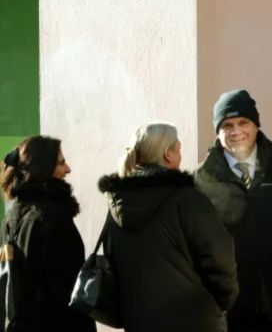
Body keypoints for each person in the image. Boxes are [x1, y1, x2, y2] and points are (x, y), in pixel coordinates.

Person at [98, 123, 239, 332]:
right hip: (193, 321)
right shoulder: (188, 200)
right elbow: (219, 259)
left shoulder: (117, 204)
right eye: (179, 149)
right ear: (167, 154)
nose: (181, 155)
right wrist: (221, 303)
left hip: (139, 322)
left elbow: (113, 262)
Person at [195, 89, 272, 332]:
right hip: (226, 307)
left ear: (256, 125)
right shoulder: (200, 180)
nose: (236, 131)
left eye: (243, 122)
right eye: (227, 125)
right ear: (218, 131)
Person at [0, 136, 95, 331]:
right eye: (61, 163)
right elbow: (66, 290)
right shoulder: (53, 218)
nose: (68, 169)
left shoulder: (11, 217)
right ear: (43, 169)